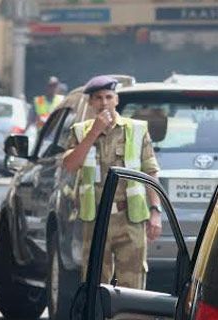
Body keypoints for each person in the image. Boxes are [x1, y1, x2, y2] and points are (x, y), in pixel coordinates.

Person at [62, 75, 162, 289]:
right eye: (98, 98)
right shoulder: (80, 132)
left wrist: (155, 212)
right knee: (94, 285)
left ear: (117, 99)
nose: (104, 102)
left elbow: (151, 172)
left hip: (130, 218)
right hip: (96, 219)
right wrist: (94, 132)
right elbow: (70, 164)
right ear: (90, 103)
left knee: (133, 287)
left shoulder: (136, 130)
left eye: (109, 97)